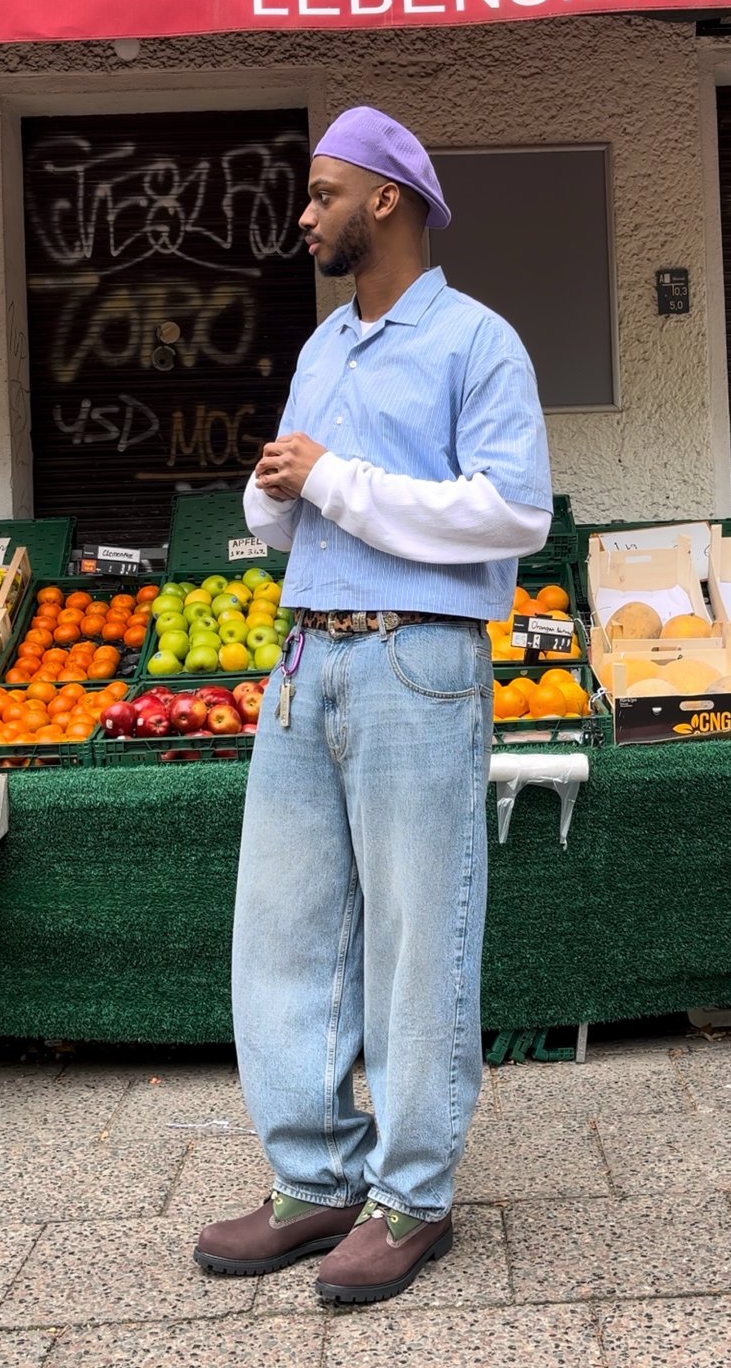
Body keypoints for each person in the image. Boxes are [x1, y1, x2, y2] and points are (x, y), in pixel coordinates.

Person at [194, 106, 552, 1305]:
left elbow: (514, 513)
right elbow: (297, 518)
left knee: (415, 937)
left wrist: (335, 479)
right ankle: (313, 1178)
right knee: (284, 931)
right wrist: (277, 497)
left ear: (386, 199)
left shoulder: (477, 342)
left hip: (417, 661)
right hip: (307, 660)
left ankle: (410, 1198)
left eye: (321, 192)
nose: (303, 216)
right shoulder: (324, 348)